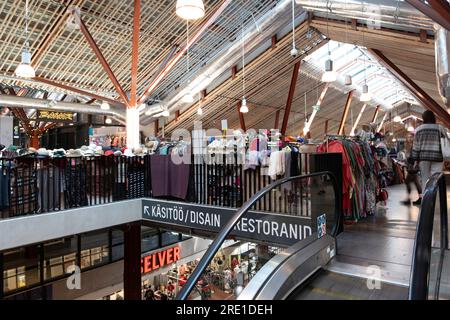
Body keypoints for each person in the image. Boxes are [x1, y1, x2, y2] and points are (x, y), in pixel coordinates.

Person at [411, 110, 447, 203]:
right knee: (436, 179)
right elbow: (446, 142)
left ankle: (425, 200)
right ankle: (434, 198)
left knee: (425, 179)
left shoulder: (419, 129)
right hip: (438, 157)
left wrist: (415, 160)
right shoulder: (440, 128)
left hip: (424, 158)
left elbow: (416, 147)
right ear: (433, 117)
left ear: (423, 118)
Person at [398, 134, 422, 205]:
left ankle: (415, 199)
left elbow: (414, 156)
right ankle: (419, 198)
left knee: (410, 182)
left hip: (413, 167)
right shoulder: (411, 146)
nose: (409, 139)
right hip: (412, 166)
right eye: (408, 137)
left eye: (410, 137)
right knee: (414, 183)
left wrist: (409, 162)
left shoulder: (414, 146)